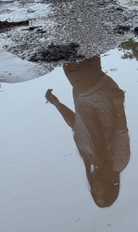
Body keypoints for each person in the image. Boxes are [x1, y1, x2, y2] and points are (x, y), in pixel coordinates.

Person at [46, 56, 129, 207]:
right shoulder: (117, 163)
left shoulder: (89, 158)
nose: (97, 190)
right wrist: (119, 105)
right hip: (101, 100)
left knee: (87, 48)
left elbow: (76, 125)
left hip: (83, 97)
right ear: (110, 188)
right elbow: (121, 131)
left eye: (95, 193)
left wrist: (57, 104)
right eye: (102, 193)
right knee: (71, 63)